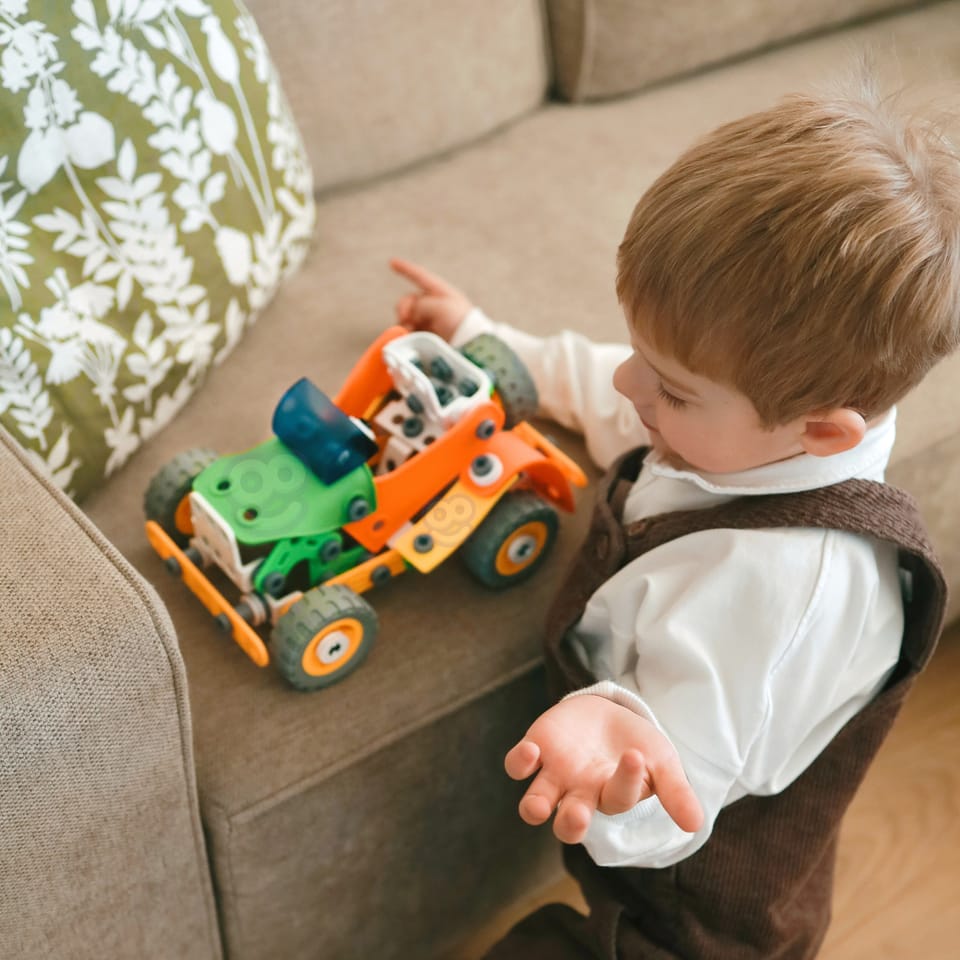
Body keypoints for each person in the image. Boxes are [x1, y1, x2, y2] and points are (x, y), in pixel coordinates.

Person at [391, 80, 959, 958]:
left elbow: (676, 809)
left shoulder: (776, 590)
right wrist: (492, 344)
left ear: (822, 430)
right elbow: (609, 388)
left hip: (686, 922)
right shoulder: (741, 427)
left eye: (673, 389)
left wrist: (619, 753)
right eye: (643, 356)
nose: (631, 385)